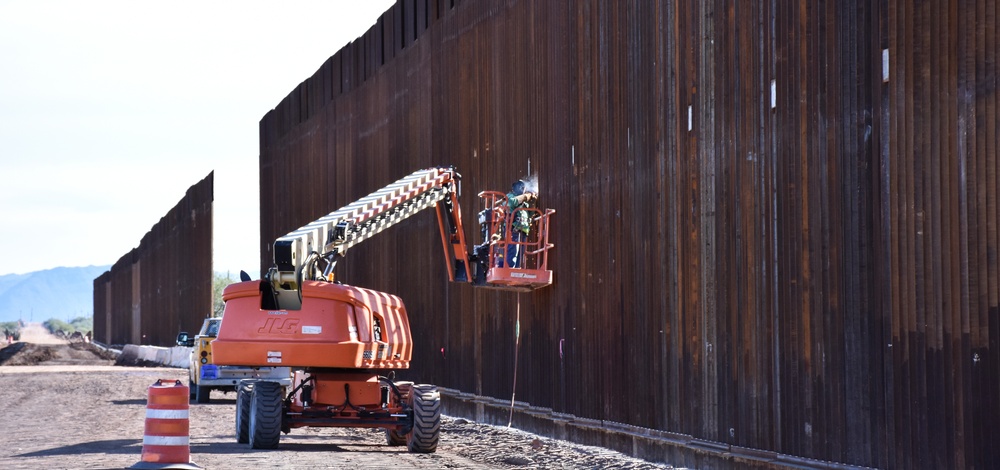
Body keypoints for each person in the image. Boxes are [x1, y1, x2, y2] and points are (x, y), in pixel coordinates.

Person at [504, 180, 536, 268]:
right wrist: (526, 196)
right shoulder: (509, 196)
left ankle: (517, 269)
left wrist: (532, 202)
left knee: (521, 254)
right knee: (513, 251)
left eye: (523, 187)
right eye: (520, 186)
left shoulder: (525, 203)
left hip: (523, 230)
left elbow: (531, 214)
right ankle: (510, 269)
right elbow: (511, 203)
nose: (522, 188)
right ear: (514, 188)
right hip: (513, 229)